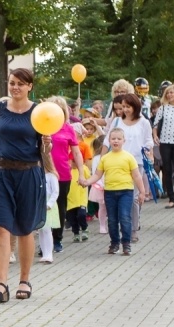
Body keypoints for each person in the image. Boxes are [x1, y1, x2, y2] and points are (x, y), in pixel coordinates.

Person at [0, 68, 53, 302]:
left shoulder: (38, 112)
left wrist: (47, 145)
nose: (15, 87)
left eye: (21, 84)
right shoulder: (0, 109)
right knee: (1, 228)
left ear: (30, 86)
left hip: (28, 174)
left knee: (24, 229)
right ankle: (1, 284)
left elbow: (44, 153)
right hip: (0, 174)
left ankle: (24, 279)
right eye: (12, 83)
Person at [80, 128, 146, 256]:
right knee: (112, 219)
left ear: (123, 141)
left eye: (119, 139)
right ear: (109, 141)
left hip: (126, 192)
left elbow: (137, 176)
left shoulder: (129, 157)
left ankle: (126, 243)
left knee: (125, 217)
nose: (116, 141)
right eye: (113, 139)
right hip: (109, 192)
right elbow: (98, 174)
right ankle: (114, 243)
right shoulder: (105, 158)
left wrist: (142, 192)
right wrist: (87, 182)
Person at [103, 93, 152, 242]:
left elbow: (148, 140)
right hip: (117, 163)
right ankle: (122, 226)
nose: (124, 110)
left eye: (128, 107)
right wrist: (102, 158)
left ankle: (133, 229)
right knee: (120, 196)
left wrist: (148, 150)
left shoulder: (143, 122)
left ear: (135, 106)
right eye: (123, 107)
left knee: (134, 197)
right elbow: (107, 140)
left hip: (136, 163)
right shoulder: (117, 121)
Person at [48, 96, 86, 253]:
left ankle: (57, 239)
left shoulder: (68, 129)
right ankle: (46, 241)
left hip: (63, 173)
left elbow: (77, 153)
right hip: (45, 172)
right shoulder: (42, 127)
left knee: (60, 206)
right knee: (46, 206)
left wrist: (82, 175)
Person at [38, 170, 60, 264]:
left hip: (48, 205)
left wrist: (49, 204)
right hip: (39, 204)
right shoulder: (37, 174)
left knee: (47, 229)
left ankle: (49, 254)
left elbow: (55, 191)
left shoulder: (51, 176)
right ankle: (44, 253)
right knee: (41, 229)